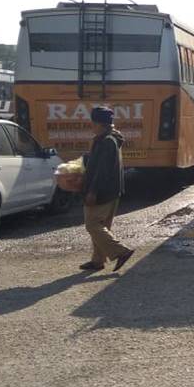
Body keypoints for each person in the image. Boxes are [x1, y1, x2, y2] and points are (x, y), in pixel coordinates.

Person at [79, 107, 134, 273]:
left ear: (100, 124)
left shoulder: (107, 141)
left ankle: (121, 252)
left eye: (93, 123)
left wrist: (92, 191)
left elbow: (102, 170)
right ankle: (98, 261)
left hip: (102, 191)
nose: (91, 126)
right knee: (102, 227)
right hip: (112, 190)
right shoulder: (109, 138)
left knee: (93, 225)